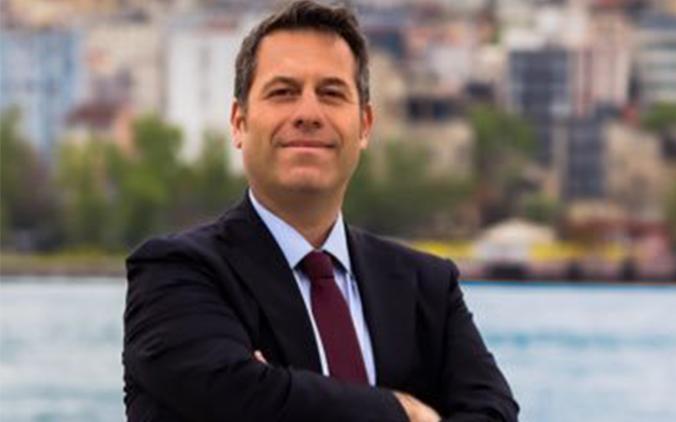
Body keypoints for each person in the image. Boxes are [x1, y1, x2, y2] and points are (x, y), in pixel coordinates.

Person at [122, 1, 518, 421]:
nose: (308, 114)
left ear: (364, 125)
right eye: (283, 92)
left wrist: (279, 392)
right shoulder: (174, 274)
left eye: (331, 93)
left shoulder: (428, 288)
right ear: (239, 122)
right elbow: (234, 393)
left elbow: (493, 413)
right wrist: (405, 412)